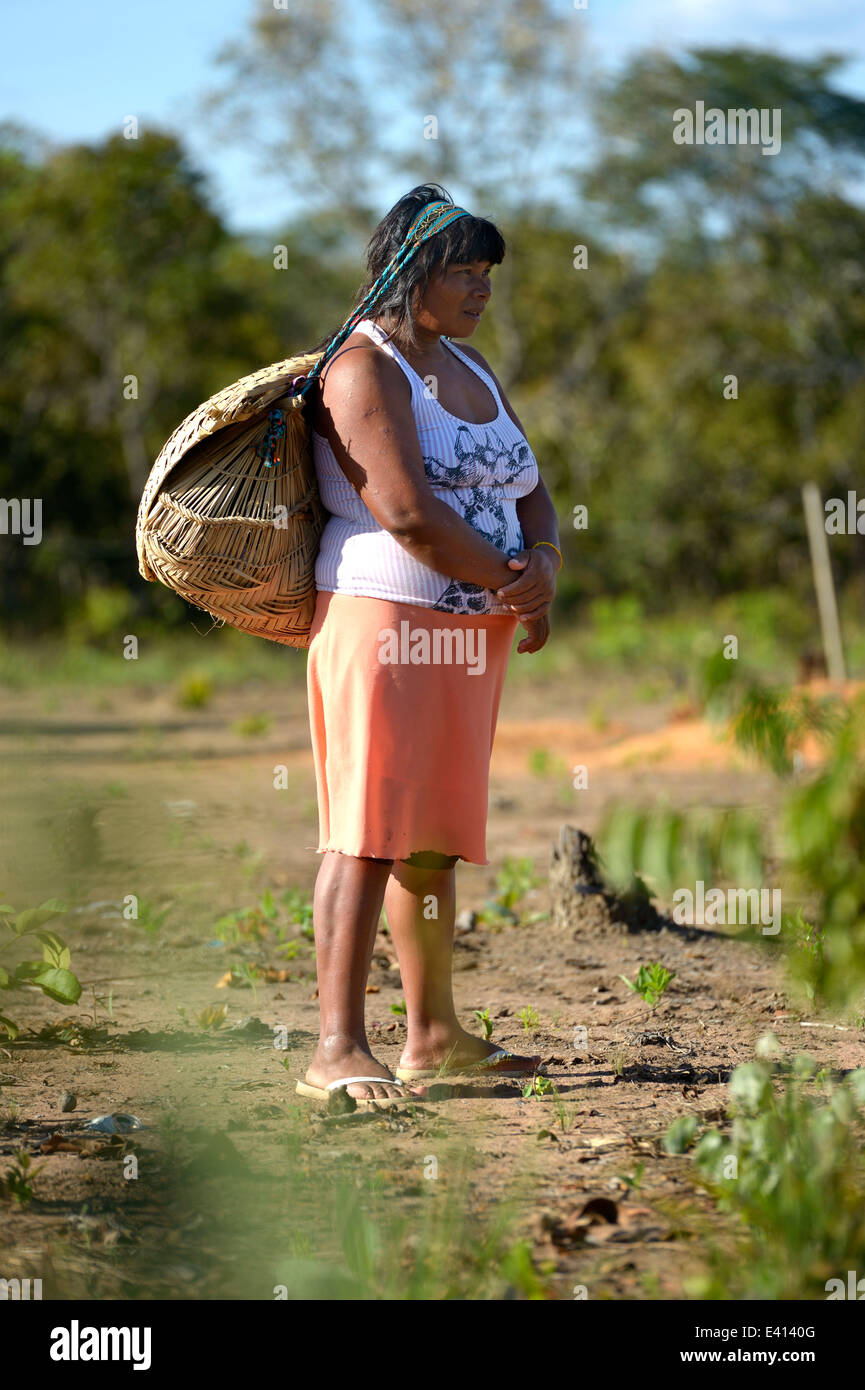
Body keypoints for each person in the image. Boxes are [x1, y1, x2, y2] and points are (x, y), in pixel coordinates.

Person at [296, 185, 561, 1107]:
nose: (482, 288)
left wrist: (546, 564)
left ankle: (434, 1037)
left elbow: (529, 486)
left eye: (487, 273)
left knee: (431, 845)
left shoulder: (471, 368)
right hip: (383, 623)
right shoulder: (361, 369)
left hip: (466, 633)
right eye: (463, 271)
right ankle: (334, 1049)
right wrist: (507, 576)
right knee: (364, 838)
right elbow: (405, 512)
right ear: (409, 274)